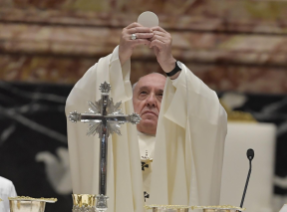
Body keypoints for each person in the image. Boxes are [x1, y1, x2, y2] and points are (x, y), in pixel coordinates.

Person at [66, 22, 227, 212]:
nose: (151, 101)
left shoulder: (183, 142)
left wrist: (171, 66)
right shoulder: (111, 140)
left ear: (175, 104)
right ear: (128, 103)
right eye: (143, 93)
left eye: (161, 95)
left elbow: (213, 115)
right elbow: (78, 102)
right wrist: (119, 57)